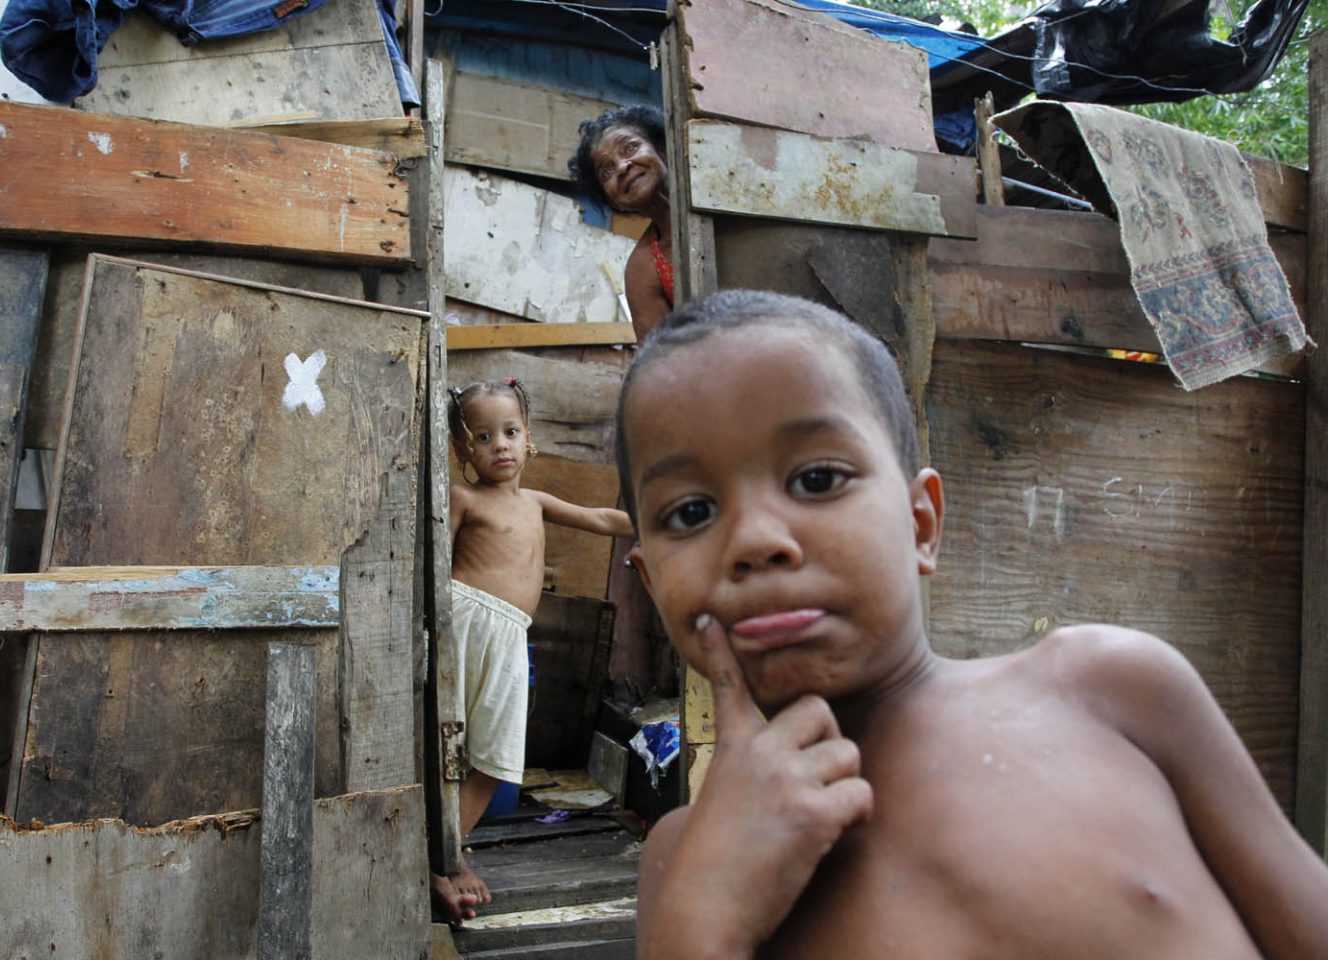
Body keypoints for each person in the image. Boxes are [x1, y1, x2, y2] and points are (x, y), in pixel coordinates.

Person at [613, 289, 1328, 958]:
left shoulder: (1113, 690)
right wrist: (702, 918)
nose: (754, 540)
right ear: (650, 582)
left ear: (922, 524)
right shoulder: (687, 860)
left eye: (817, 479)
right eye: (691, 512)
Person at [434, 377, 635, 924]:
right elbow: (432, 564)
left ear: (529, 438)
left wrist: (662, 523)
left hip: (507, 633)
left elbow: (602, 519)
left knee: (494, 757)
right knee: (449, 747)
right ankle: (445, 862)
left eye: (510, 431)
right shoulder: (463, 498)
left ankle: (446, 852)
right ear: (461, 451)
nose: (499, 445)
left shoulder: (536, 503)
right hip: (465, 620)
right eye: (482, 437)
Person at [571, 105, 673, 340]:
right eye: (606, 172)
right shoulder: (642, 269)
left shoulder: (724, 201)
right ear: (614, 201)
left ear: (661, 150)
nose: (622, 167)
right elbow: (663, 356)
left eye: (630, 148)